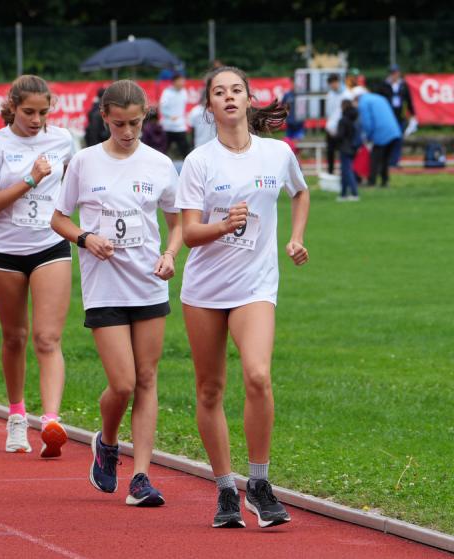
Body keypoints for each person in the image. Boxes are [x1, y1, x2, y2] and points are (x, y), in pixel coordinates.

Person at [177, 66, 309, 529]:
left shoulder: (277, 153)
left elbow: (301, 192)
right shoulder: (199, 161)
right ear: (209, 106)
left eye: (236, 90)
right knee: (210, 388)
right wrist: (222, 225)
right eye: (219, 92)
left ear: (250, 100)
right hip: (205, 290)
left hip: (256, 286)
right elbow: (189, 232)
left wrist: (295, 238)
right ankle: (225, 490)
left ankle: (258, 482)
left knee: (257, 376)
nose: (229, 97)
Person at [51, 79, 181, 507]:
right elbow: (58, 218)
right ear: (104, 117)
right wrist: (85, 237)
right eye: (120, 123)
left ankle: (141, 475)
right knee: (122, 383)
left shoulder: (160, 164)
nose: (128, 131)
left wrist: (170, 253)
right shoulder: (85, 162)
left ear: (146, 115)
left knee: (146, 380)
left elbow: (177, 221)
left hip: (147, 281)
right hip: (104, 285)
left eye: (135, 122)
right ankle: (106, 442)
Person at [0, 75, 74, 458]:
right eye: (28, 112)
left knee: (47, 338)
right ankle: (17, 416)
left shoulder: (63, 140)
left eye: (43, 112)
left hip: (49, 245)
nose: (36, 120)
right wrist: (29, 180)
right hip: (4, 252)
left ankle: (51, 420)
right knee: (14, 336)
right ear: (12, 108)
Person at [352, 85, 402, 188]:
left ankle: (372, 181)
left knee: (374, 158)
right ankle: (385, 181)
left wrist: (368, 137)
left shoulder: (363, 103)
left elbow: (367, 123)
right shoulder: (379, 98)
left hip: (381, 133)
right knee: (385, 159)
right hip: (394, 131)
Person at [376, 64, 416, 167]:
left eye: (396, 73)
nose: (395, 75)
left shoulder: (403, 85)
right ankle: (386, 160)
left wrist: (413, 114)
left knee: (398, 139)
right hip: (387, 116)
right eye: (393, 73)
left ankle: (395, 161)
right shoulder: (384, 85)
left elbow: (409, 100)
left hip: (399, 116)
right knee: (388, 139)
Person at [159, 73, 190, 158]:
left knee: (185, 151)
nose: (183, 82)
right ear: (174, 81)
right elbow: (162, 107)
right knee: (163, 151)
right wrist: (169, 116)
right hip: (168, 127)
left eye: (183, 80)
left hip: (180, 127)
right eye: (180, 80)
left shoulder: (184, 92)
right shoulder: (167, 92)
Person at [336, 99, 362, 201]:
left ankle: (354, 193)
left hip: (344, 148)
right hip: (353, 147)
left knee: (347, 171)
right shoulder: (355, 118)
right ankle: (343, 194)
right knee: (346, 171)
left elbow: (340, 135)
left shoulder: (343, 120)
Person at [324, 74, 348, 174]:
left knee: (343, 150)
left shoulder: (346, 94)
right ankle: (330, 171)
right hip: (331, 127)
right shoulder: (329, 95)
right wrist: (330, 126)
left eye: (335, 82)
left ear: (338, 81)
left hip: (343, 127)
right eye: (331, 83)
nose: (333, 85)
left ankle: (345, 172)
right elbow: (328, 113)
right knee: (330, 150)